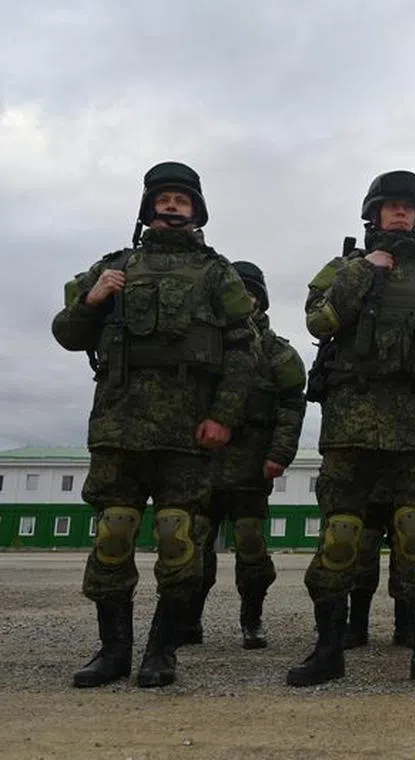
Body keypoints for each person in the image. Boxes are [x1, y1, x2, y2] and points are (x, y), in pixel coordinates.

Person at [52, 161, 255, 688]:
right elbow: (67, 333)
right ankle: (113, 651)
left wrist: (224, 416)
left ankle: (161, 652)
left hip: (188, 432)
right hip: (119, 426)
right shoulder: (112, 266)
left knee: (178, 538)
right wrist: (93, 299)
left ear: (195, 211)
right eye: (163, 199)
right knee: (113, 534)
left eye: (181, 201)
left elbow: (243, 347)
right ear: (148, 208)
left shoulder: (217, 273)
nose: (171, 206)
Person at [288, 170, 415, 687]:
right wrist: (362, 273)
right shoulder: (344, 268)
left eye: (408, 208)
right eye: (391, 206)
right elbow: (319, 322)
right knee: (341, 536)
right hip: (350, 428)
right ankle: (327, 650)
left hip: (414, 431)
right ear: (373, 214)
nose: (400, 214)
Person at [185, 261, 306, 650]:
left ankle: (251, 619)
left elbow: (292, 406)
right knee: (194, 542)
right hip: (201, 463)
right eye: (238, 291)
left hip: (251, 465)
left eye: (251, 292)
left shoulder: (278, 353)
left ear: (261, 300)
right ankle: (188, 620)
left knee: (250, 543)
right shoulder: (203, 341)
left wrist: (280, 454)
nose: (245, 298)